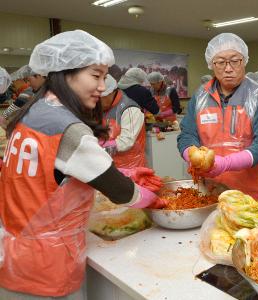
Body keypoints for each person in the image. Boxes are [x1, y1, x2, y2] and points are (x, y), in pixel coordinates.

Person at [0, 30, 164, 299]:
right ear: (66, 73)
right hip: (47, 265)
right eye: (96, 75)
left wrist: (124, 171)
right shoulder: (67, 127)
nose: (103, 86)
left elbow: (58, 171)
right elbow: (122, 193)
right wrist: (155, 200)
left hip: (15, 257)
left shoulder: (33, 112)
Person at [177, 33, 258, 204]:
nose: (228, 68)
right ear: (212, 64)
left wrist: (226, 163)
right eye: (221, 62)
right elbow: (187, 135)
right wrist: (192, 155)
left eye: (234, 60)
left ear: (244, 61)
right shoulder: (200, 97)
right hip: (209, 193)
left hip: (251, 197)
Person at [100, 74, 147, 168]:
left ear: (110, 93)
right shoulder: (102, 109)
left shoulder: (130, 109)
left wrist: (100, 147)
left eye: (99, 98)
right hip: (109, 165)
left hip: (131, 167)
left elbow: (126, 142)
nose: (96, 102)